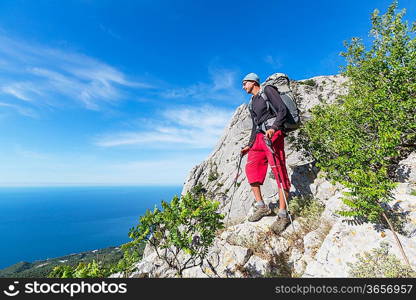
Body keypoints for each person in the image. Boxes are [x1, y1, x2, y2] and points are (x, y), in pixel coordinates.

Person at [241, 72, 291, 234]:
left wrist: (274, 128)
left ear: (252, 82)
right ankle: (261, 206)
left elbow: (282, 110)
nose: (243, 86)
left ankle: (283, 214)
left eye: (244, 83)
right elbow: (256, 126)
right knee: (251, 169)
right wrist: (249, 145)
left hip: (273, 134)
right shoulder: (252, 102)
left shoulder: (267, 90)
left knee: (278, 171)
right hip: (259, 138)